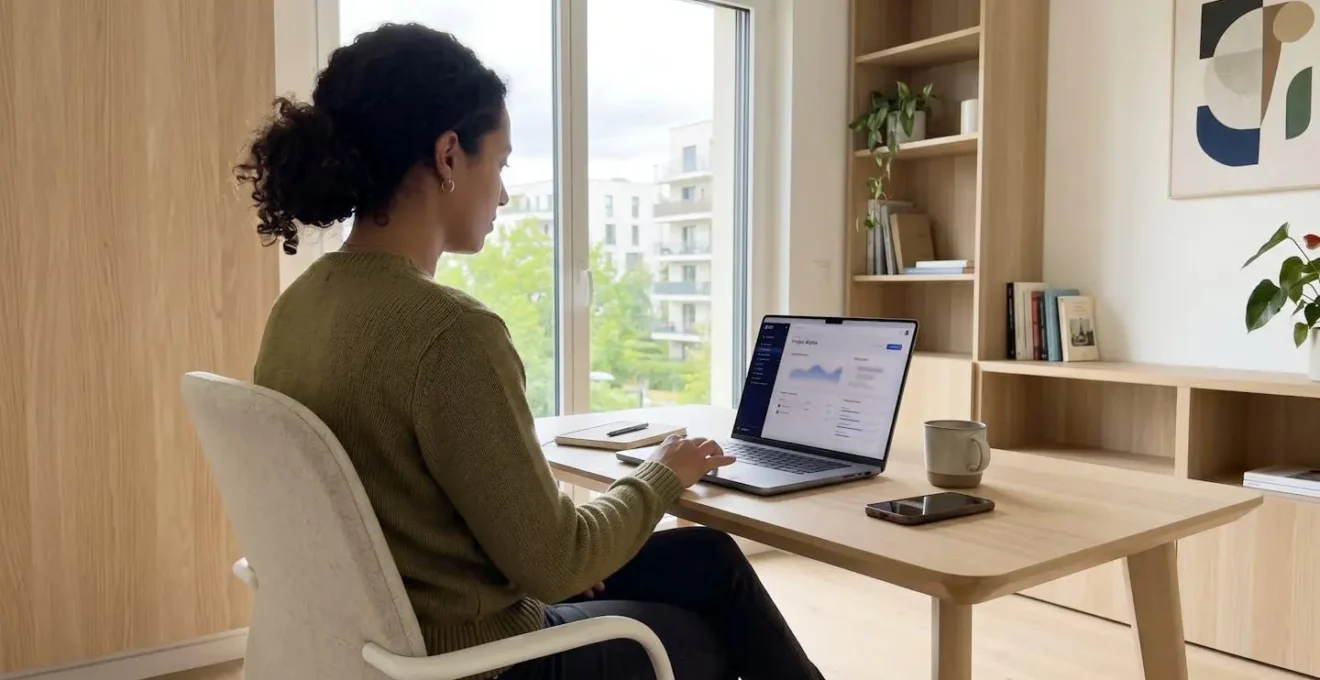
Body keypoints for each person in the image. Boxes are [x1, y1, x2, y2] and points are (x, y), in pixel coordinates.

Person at [236, 22, 825, 680]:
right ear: (450, 156)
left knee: (708, 559)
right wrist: (663, 472)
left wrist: (561, 549)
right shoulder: (448, 332)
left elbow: (416, 509)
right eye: (502, 161)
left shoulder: (299, 307)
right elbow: (556, 563)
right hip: (481, 659)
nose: (506, 193)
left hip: (373, 638)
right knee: (707, 635)